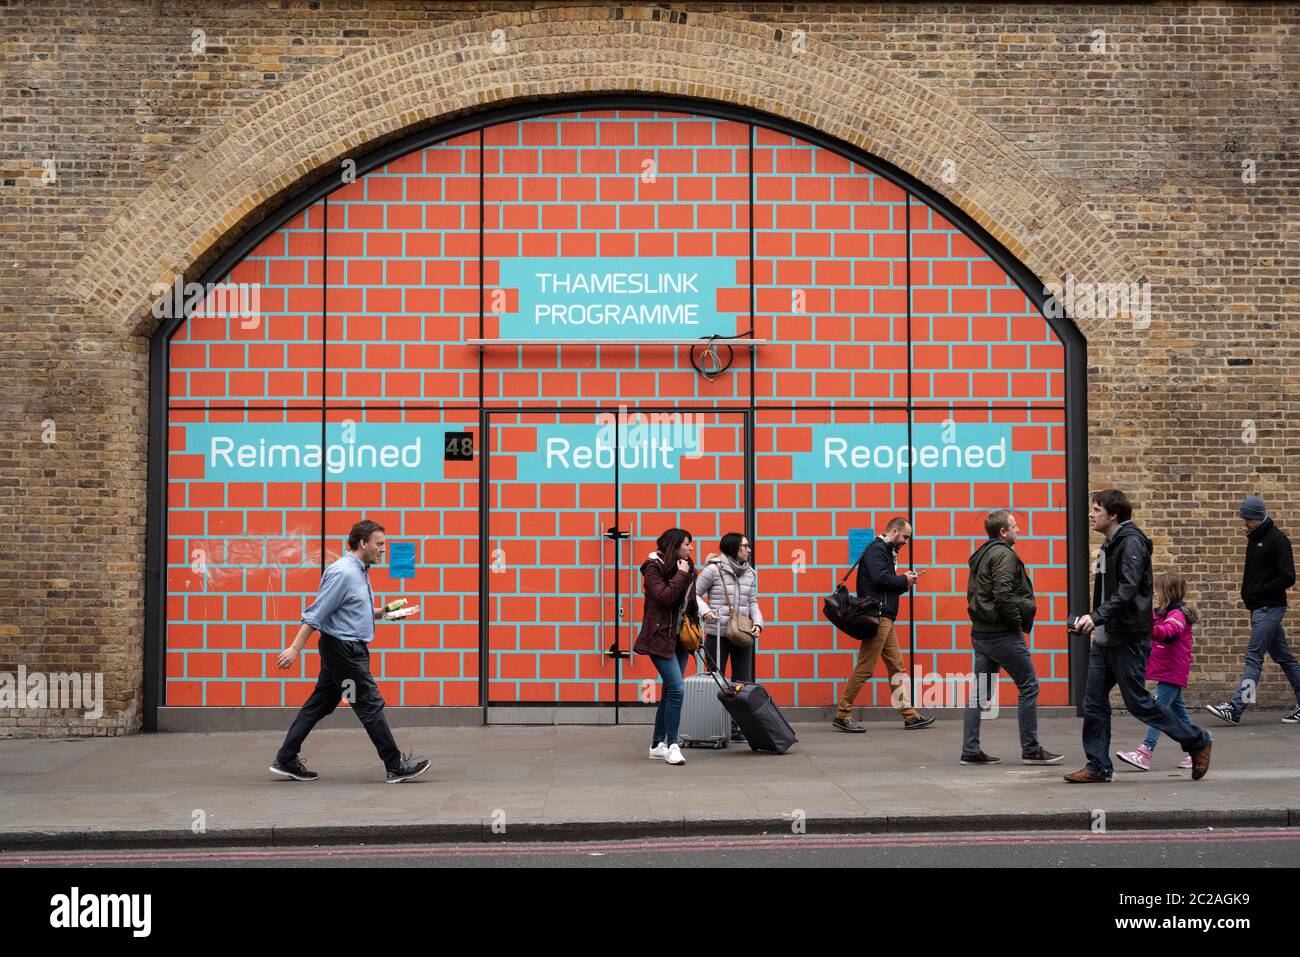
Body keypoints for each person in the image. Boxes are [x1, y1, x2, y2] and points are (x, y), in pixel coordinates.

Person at [1065, 490, 1212, 783]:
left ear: (1113, 514)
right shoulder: (1110, 544)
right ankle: (1098, 766)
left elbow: (1128, 589)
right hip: (1106, 638)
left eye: (1096, 509)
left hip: (1128, 637)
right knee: (1093, 702)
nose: (1091, 515)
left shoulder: (1131, 542)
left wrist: (1096, 617)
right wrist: (1096, 620)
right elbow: (1111, 592)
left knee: (1139, 703)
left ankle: (1197, 741)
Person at [270, 519, 430, 784]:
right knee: (369, 704)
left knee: (319, 704)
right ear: (362, 542)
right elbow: (316, 614)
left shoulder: (360, 570)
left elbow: (349, 612)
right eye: (379, 544)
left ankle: (286, 758)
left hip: (343, 649)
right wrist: (294, 649)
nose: (383, 550)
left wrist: (385, 613)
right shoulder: (343, 573)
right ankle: (395, 765)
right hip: (343, 652)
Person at [959, 509, 1062, 766]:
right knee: (1029, 685)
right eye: (1015, 526)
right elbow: (1003, 594)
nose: (1019, 530)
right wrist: (1016, 623)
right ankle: (1031, 749)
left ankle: (970, 750)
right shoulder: (1003, 554)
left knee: (980, 693)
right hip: (1001, 634)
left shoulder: (982, 554)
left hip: (981, 633)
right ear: (1003, 532)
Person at [833, 516, 936, 732]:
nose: (906, 542)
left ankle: (909, 715)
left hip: (885, 617)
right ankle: (842, 714)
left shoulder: (885, 551)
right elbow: (882, 579)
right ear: (894, 531)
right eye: (905, 537)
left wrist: (907, 581)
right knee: (865, 668)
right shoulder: (877, 550)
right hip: (878, 617)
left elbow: (887, 586)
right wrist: (904, 579)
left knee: (896, 667)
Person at [1207, 496, 1300, 725]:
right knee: (1284, 657)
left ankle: (1236, 708)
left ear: (1258, 516)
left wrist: (1259, 591)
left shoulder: (1277, 539)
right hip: (1260, 607)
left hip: (1269, 607)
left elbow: (1288, 576)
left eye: (1248, 518)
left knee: (1253, 657)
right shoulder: (1255, 537)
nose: (1245, 523)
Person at [1116, 571, 1197, 771]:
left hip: (1172, 670)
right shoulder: (1164, 613)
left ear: (1167, 591)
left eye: (1159, 590)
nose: (1156, 593)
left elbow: (1168, 634)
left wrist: (1148, 626)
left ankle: (1144, 753)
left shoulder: (1177, 614)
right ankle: (1200, 746)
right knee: (1179, 714)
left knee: (1158, 711)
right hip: (1168, 670)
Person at [634, 527, 699, 766]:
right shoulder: (653, 567)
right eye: (686, 544)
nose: (691, 548)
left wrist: (702, 617)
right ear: (674, 547)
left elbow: (689, 599)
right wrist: (682, 575)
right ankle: (673, 744)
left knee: (670, 690)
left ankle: (656, 745)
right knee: (677, 689)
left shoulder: (687, 566)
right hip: (658, 636)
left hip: (680, 637)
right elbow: (663, 597)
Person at [696, 532, 764, 741]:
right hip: (718, 635)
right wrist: (705, 611)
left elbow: (752, 602)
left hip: (742, 634)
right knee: (715, 681)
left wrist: (758, 623)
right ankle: (712, 726)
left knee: (741, 683)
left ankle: (737, 727)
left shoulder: (750, 572)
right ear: (734, 548)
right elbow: (694, 594)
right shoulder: (714, 570)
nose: (749, 550)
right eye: (745, 546)